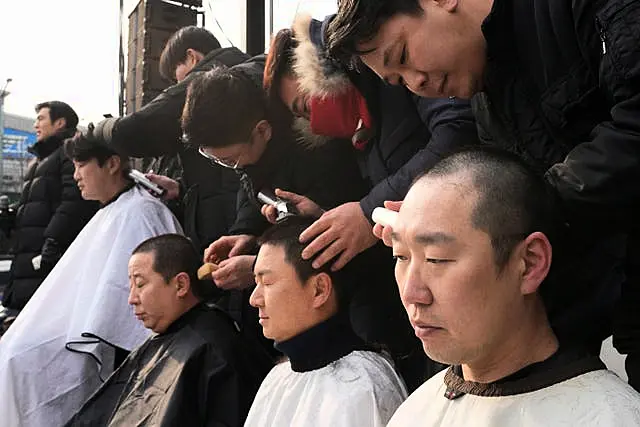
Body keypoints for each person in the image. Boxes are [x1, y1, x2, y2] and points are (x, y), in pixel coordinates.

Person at [326, 0, 638, 385]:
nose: (415, 83)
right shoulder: (486, 96)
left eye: (404, 55)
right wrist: (444, 213)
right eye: (398, 79)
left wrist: (526, 205)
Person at [384, 147, 640, 426]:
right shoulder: (414, 413)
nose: (412, 294)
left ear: (529, 263)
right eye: (401, 256)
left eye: (437, 259)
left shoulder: (612, 417)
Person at [0, 128, 183, 427]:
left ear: (111, 164)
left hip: (108, 348)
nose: (75, 176)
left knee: (18, 366)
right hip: (78, 332)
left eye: (81, 165)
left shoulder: (140, 212)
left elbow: (127, 314)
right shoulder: (112, 211)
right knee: (11, 357)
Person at [65, 234, 273, 427]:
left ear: (181, 285)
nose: (132, 299)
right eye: (131, 286)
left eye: (140, 284)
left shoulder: (216, 350)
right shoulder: (170, 340)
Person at [91, 26, 252, 253]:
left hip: (227, 230)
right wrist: (181, 189)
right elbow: (221, 179)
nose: (174, 88)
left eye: (177, 78)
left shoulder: (209, 79)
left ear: (191, 56)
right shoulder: (247, 73)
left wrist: (96, 130)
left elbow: (135, 129)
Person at [245, 217, 407, 426]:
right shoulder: (277, 378)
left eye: (267, 282)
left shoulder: (361, 386)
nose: (254, 299)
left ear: (319, 289)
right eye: (255, 283)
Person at [0, 101, 98, 320]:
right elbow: (35, 208)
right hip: (26, 264)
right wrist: (11, 218)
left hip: (47, 263)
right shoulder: (38, 161)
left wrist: (53, 240)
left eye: (41, 118)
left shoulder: (69, 152)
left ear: (60, 122)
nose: (36, 124)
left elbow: (74, 202)